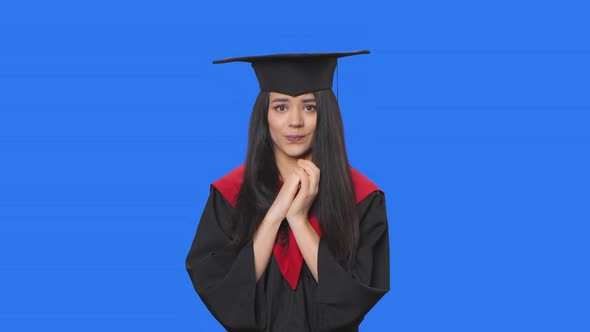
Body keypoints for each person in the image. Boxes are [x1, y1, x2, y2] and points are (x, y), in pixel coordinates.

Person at [185, 50, 390, 332]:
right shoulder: (230, 194)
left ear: (326, 114)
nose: (295, 121)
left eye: (309, 107)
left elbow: (355, 300)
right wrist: (273, 218)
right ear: (264, 116)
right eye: (281, 107)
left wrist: (297, 219)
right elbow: (221, 294)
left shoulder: (362, 198)